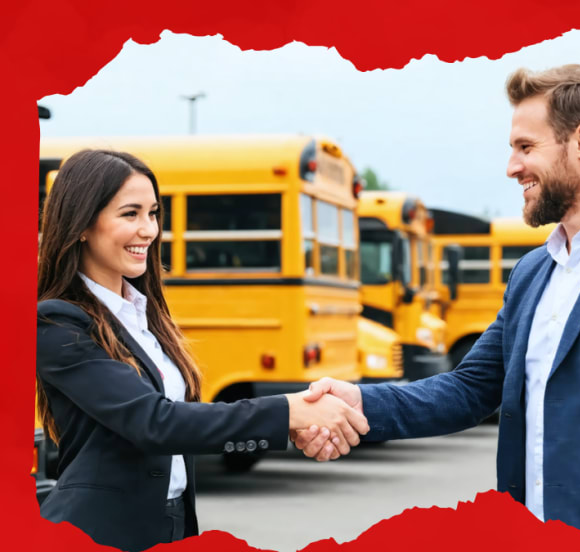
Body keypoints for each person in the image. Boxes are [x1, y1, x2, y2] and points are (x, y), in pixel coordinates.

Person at [294, 64, 580, 538]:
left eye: (526, 147)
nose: (512, 167)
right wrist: (356, 400)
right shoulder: (531, 274)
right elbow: (468, 390)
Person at [35, 149, 370, 552]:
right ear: (82, 225)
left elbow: (184, 420)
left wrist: (286, 425)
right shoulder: (58, 322)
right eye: (130, 214)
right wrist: (288, 410)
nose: (148, 230)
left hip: (171, 524)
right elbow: (154, 422)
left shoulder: (143, 315)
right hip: (97, 532)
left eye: (153, 213)